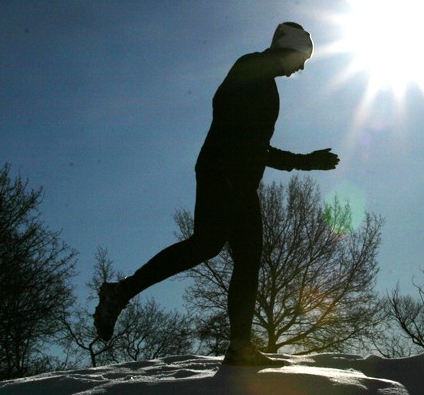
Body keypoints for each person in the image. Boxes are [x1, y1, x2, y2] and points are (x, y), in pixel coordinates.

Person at [93, 22, 339, 366]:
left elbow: (256, 147)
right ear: (290, 50)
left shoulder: (265, 84)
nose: (302, 68)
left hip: (239, 180)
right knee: (208, 245)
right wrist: (301, 161)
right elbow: (235, 123)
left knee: (246, 257)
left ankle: (239, 347)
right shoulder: (252, 67)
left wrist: (303, 162)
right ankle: (120, 292)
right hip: (222, 174)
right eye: (303, 59)